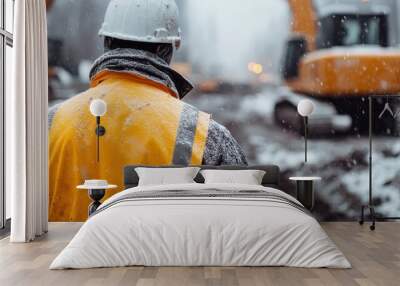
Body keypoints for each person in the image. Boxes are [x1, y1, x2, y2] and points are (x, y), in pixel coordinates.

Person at [48, 0, 247, 221]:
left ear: (106, 41)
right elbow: (241, 224)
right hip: (166, 256)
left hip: (60, 253)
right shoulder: (206, 135)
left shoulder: (49, 123)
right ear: (166, 49)